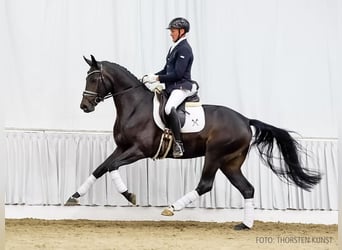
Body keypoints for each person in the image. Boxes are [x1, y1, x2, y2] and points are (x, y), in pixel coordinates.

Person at [143, 17, 198, 158]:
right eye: (171, 31)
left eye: (173, 31)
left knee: (168, 108)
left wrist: (157, 79)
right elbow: (167, 70)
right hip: (172, 86)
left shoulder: (185, 48)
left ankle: (178, 143)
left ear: (182, 31)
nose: (171, 33)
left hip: (182, 86)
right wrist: (151, 76)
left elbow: (178, 74)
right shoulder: (174, 47)